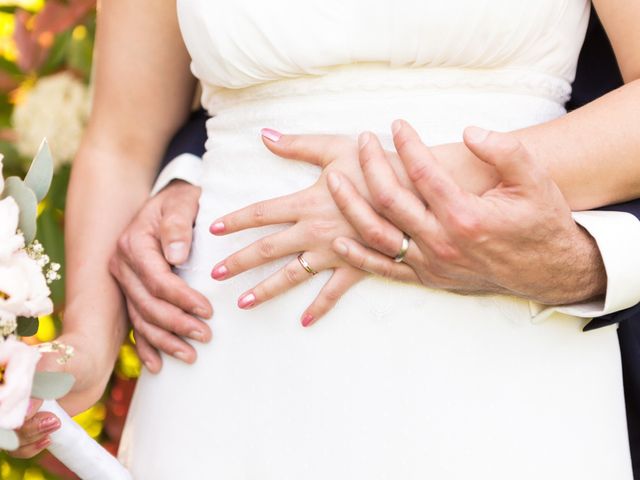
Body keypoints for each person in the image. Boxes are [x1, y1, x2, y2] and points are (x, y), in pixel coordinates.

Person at [10, 0, 640, 477]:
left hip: (501, 343)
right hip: (222, 354)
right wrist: (85, 346)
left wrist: (397, 189)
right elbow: (121, 141)